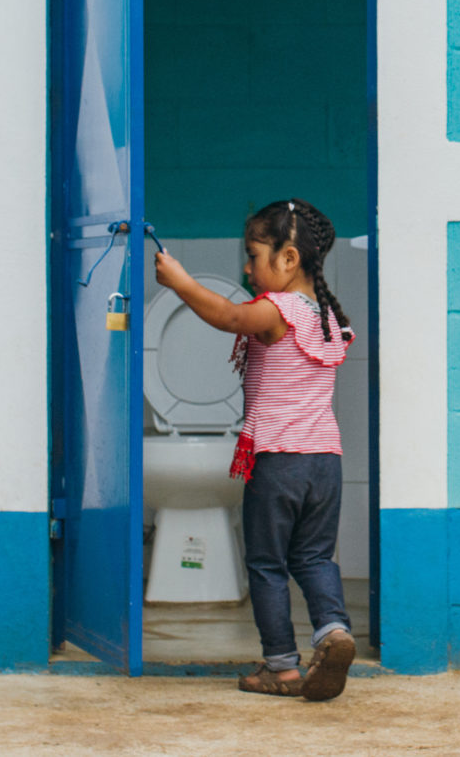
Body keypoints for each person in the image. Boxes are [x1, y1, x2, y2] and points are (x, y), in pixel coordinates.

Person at [154, 198, 358, 701]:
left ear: (289, 259)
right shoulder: (325, 313)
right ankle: (334, 631)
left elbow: (228, 317)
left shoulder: (279, 309)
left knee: (266, 564)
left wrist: (180, 282)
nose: (246, 267)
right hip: (325, 461)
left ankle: (282, 667)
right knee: (314, 558)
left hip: (279, 459)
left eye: (253, 255)